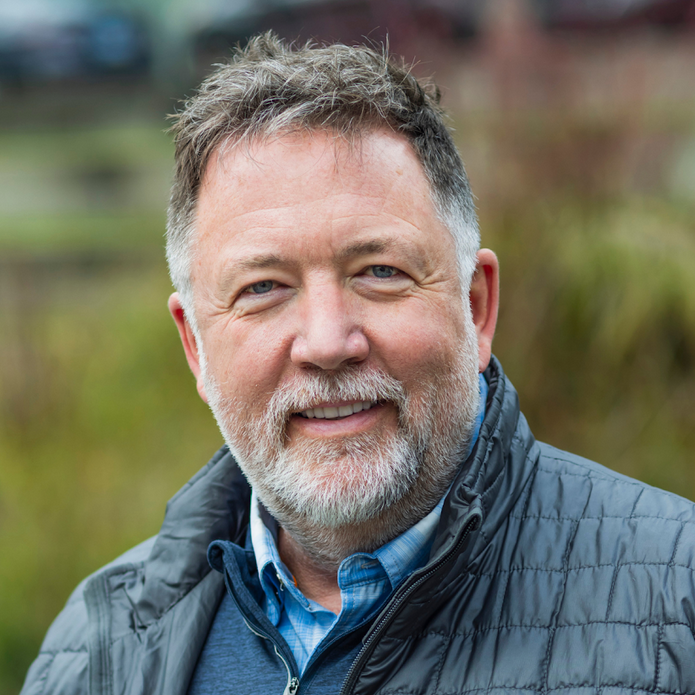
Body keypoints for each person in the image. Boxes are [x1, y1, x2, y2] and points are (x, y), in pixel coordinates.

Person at [21, 33, 695, 695]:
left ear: (475, 308)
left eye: (379, 271)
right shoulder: (93, 649)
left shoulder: (674, 604)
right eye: (263, 287)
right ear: (194, 345)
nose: (326, 342)